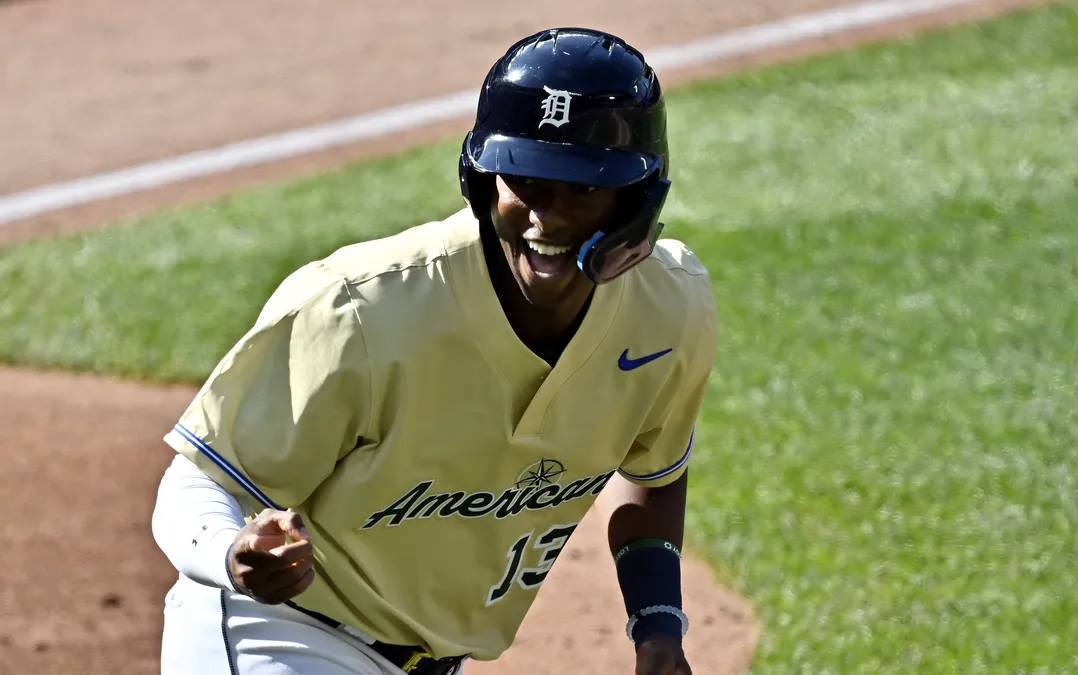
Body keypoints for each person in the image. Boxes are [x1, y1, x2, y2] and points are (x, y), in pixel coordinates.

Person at [151, 26, 717, 675]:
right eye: (526, 182)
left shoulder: (668, 309)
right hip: (279, 633)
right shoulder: (361, 308)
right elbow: (199, 477)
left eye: (583, 189)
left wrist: (657, 625)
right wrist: (232, 553)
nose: (547, 217)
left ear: (635, 200)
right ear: (483, 179)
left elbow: (654, 473)